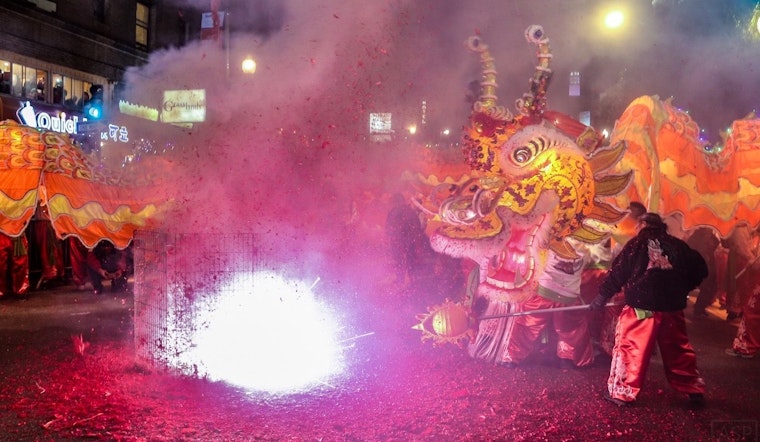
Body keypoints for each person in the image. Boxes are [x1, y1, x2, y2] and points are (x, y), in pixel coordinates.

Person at [590, 212, 707, 407]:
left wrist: (602, 296)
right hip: (672, 307)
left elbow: (618, 272)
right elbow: (700, 268)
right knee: (678, 350)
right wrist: (684, 287)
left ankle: (622, 392)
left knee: (631, 350)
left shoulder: (636, 244)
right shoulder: (677, 245)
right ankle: (692, 388)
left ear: (642, 225)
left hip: (641, 308)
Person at [502, 245, 595, 369]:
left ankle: (512, 359)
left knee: (527, 324)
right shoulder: (585, 248)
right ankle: (569, 359)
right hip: (564, 295)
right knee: (571, 329)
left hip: (550, 293)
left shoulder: (550, 241)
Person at [385, 193, 431, 286]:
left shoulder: (394, 212)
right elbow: (416, 226)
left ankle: (402, 280)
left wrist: (392, 238)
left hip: (400, 241)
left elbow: (388, 228)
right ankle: (412, 280)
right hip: (408, 241)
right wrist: (416, 240)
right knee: (410, 260)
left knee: (401, 261)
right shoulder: (409, 211)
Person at [687, 227, 720, 318]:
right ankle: (698, 309)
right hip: (704, 264)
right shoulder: (701, 235)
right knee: (708, 287)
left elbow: (718, 243)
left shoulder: (709, 235)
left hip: (707, 264)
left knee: (709, 287)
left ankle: (699, 308)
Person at [0, 232, 30, 298]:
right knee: (0, 265)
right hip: (2, 233)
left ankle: (21, 289)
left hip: (17, 233)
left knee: (20, 262)